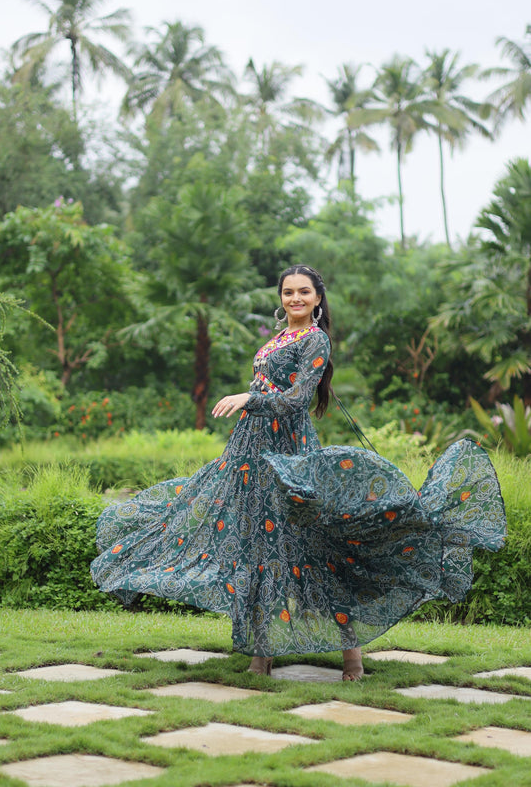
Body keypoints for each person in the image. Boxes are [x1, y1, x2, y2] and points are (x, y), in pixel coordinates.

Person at [91, 264, 506, 681]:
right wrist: (250, 405)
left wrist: (247, 397)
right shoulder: (279, 338)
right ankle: (261, 654)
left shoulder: (316, 340)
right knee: (255, 546)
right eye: (288, 292)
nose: (295, 299)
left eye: (303, 292)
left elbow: (296, 400)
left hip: (289, 453)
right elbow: (271, 390)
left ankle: (352, 657)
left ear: (318, 299)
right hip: (249, 453)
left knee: (315, 545)